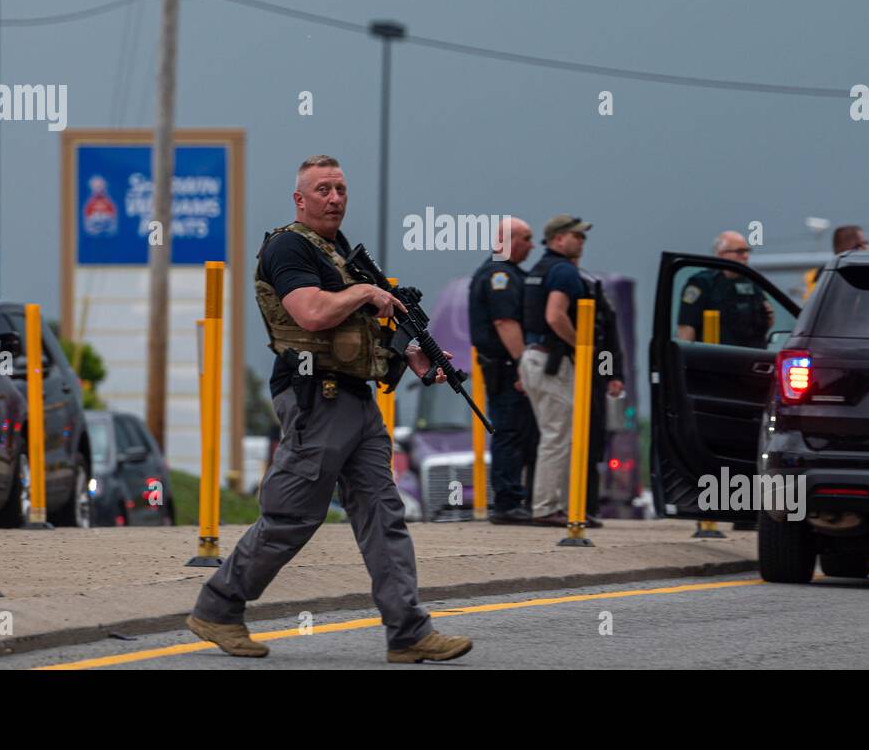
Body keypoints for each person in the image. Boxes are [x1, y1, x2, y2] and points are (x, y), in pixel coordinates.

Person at [188, 155, 472, 664]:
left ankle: (408, 632)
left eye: (340, 188)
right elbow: (312, 313)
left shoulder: (340, 253)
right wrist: (367, 291)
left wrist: (410, 353)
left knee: (383, 513)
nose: (335, 198)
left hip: (356, 400)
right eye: (323, 189)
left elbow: (357, 332)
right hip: (315, 397)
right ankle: (218, 607)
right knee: (293, 516)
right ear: (300, 199)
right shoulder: (288, 247)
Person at [519, 214, 591, 527]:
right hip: (551, 361)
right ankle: (549, 507)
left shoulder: (539, 269)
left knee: (553, 434)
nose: (582, 242)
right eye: (577, 236)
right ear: (559, 239)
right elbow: (555, 316)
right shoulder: (562, 271)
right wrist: (582, 345)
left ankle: (560, 504)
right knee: (558, 436)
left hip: (533, 357)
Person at [468, 217, 538, 524]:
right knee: (509, 431)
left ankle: (517, 498)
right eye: (525, 238)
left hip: (509, 366)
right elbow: (505, 322)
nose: (532, 245)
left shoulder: (511, 273)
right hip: (508, 368)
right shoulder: (500, 276)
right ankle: (507, 502)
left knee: (522, 432)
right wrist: (524, 365)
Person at [578, 264, 625, 528]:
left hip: (591, 376)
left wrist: (613, 374)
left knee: (592, 442)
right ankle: (571, 507)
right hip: (566, 375)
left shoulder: (591, 289)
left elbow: (609, 338)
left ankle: (587, 507)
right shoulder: (555, 282)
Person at [676, 230, 774, 348]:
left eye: (747, 251)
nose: (745, 256)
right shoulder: (702, 283)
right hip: (716, 357)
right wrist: (684, 360)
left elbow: (766, 321)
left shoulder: (753, 283)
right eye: (739, 251)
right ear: (721, 254)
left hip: (750, 356)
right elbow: (686, 327)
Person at [803, 224, 868, 299]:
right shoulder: (851, 279)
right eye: (864, 243)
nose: (867, 248)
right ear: (852, 247)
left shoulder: (821, 276)